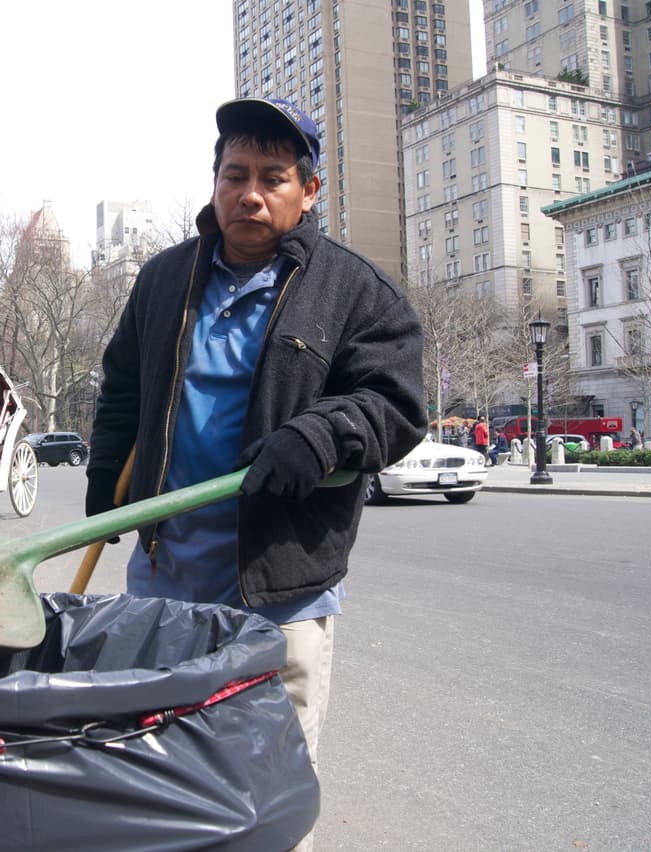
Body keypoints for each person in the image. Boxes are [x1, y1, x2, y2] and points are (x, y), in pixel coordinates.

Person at [85, 96, 426, 846]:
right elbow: (123, 390)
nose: (250, 193)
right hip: (165, 581)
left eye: (273, 177)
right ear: (213, 185)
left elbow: (394, 405)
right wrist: (105, 481)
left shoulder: (354, 291)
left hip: (281, 587)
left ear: (308, 193)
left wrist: (323, 435)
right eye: (235, 174)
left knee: (271, 792)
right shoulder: (163, 281)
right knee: (169, 774)